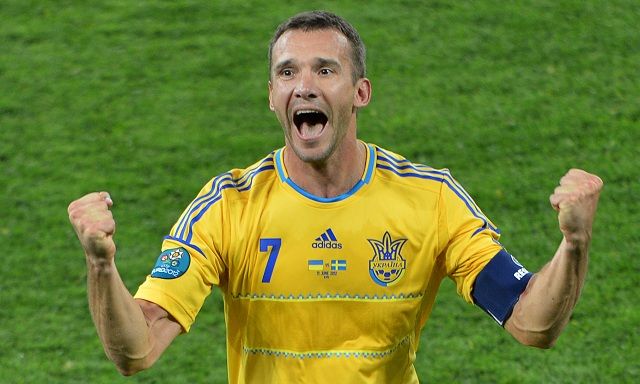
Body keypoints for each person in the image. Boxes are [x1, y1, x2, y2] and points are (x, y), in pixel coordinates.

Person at [67, 10, 603, 383]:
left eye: (325, 69)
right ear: (272, 96)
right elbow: (136, 351)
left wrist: (573, 244)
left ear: (360, 92)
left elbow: (533, 324)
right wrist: (101, 266)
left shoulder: (430, 199)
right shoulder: (228, 206)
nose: (304, 85)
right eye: (287, 72)